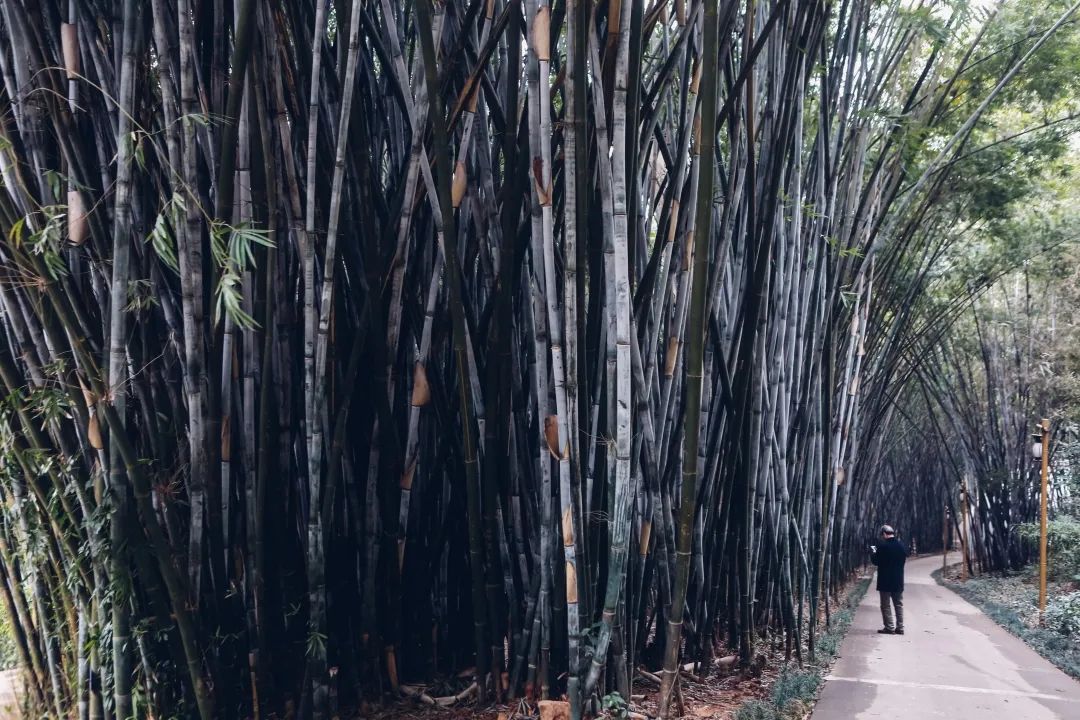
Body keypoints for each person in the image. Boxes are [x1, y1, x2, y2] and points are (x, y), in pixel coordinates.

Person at [870, 524, 907, 635]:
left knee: (885, 605)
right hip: (898, 580)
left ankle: (890, 627)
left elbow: (876, 561)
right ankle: (900, 628)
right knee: (898, 604)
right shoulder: (901, 546)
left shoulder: (882, 547)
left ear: (884, 534)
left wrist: (873, 552)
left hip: (885, 581)